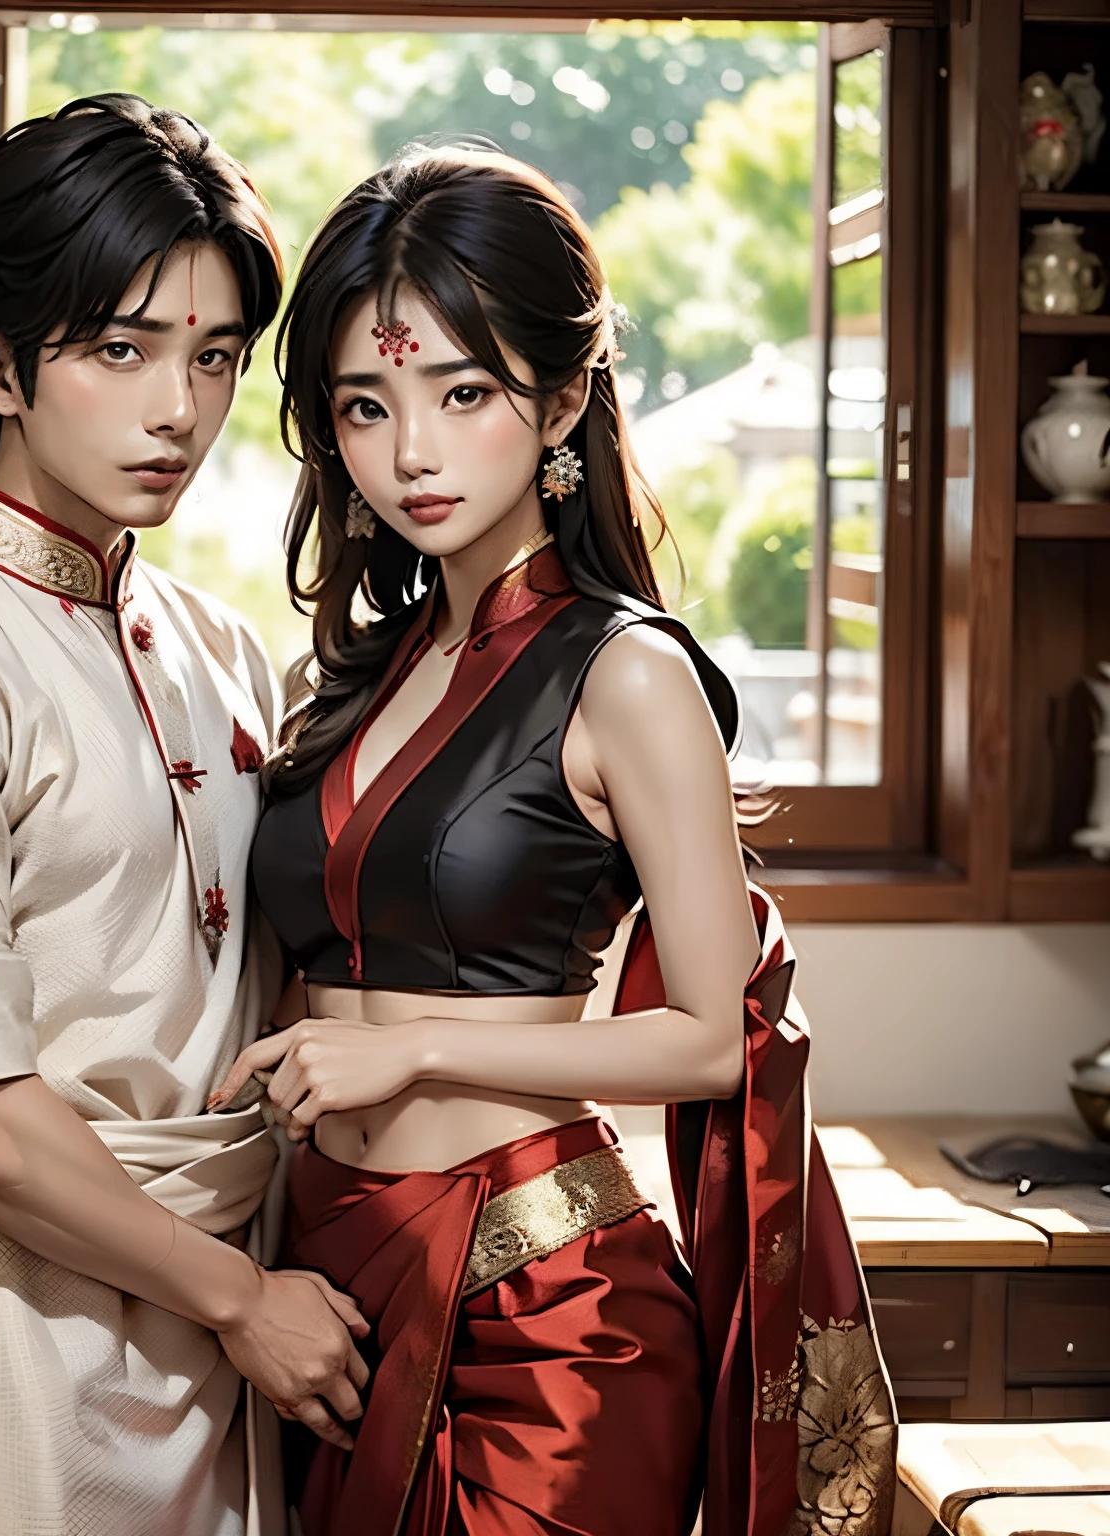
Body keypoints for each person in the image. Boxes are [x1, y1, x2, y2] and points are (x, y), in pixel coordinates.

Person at [214, 146, 896, 1536]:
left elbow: (710, 1038)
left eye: (463, 392)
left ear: (564, 396)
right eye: (366, 404)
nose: (411, 449)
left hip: (550, 1313)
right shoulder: (359, 673)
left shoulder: (624, 672)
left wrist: (415, 1045)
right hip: (335, 1285)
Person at [0, 95, 369, 1536]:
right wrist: (242, 1302)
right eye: (121, 349)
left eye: (215, 357)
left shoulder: (214, 645)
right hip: (1, 1333)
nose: (180, 409)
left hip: (226, 1330)